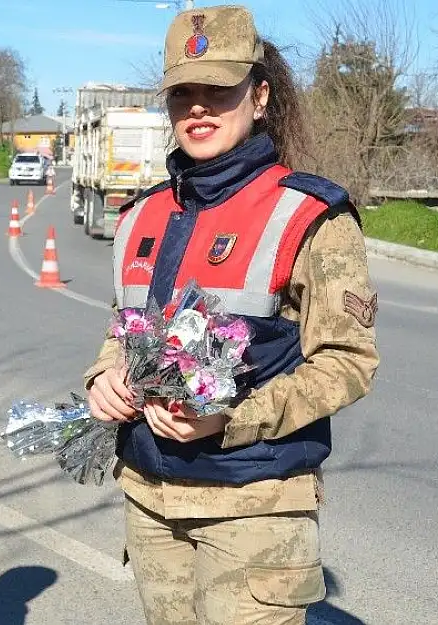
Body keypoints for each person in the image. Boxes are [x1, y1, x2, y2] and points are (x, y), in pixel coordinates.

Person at [83, 6, 380, 624]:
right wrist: (103, 380)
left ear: (260, 94)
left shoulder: (309, 215)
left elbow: (348, 364)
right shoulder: (141, 215)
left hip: (254, 507)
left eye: (218, 91)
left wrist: (231, 418)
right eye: (183, 94)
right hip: (149, 498)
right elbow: (123, 331)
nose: (198, 108)